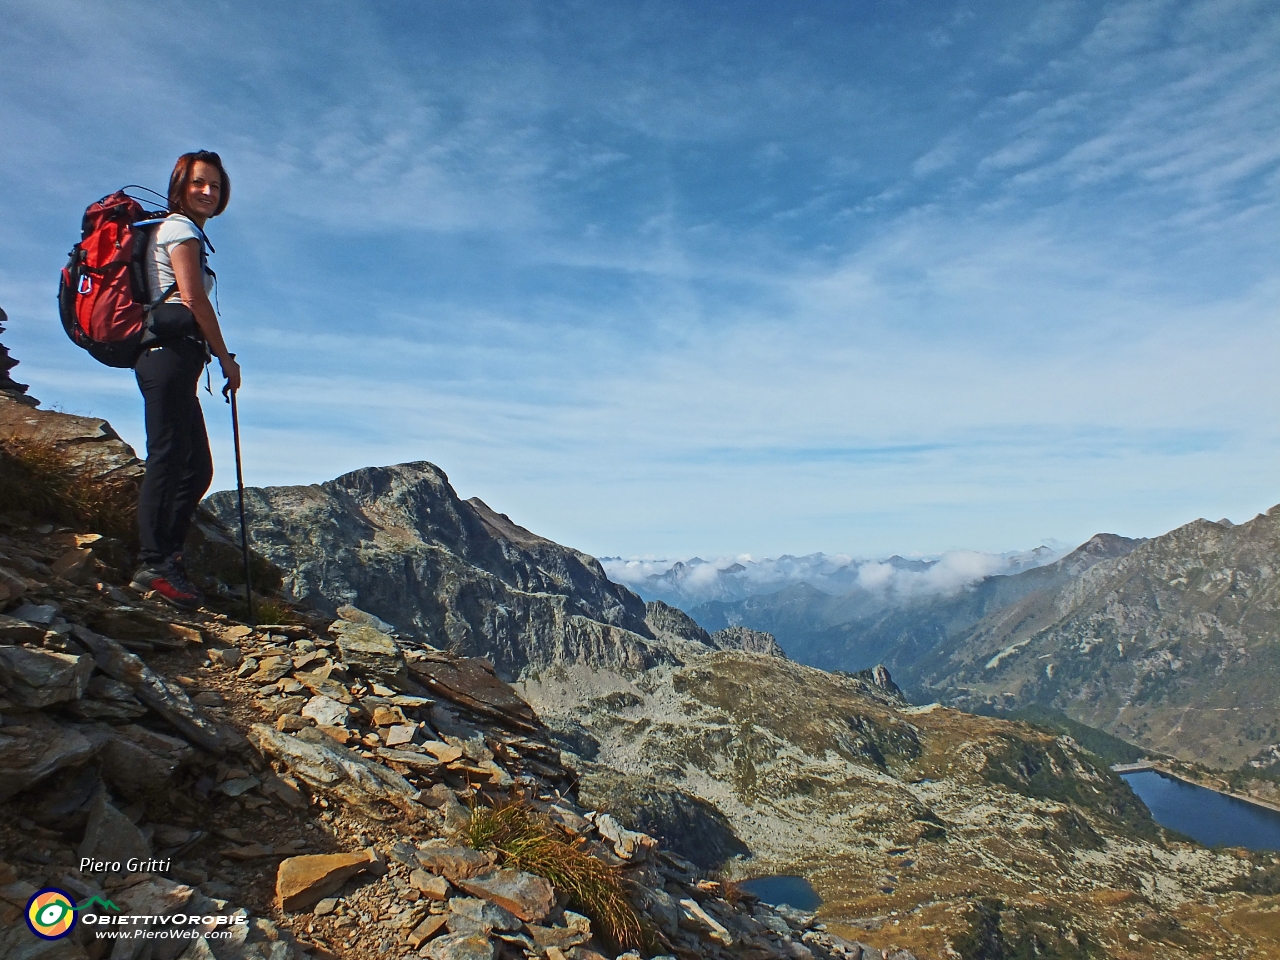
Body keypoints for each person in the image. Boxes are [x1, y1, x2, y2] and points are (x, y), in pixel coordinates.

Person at [129, 151, 241, 608]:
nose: (208, 192)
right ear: (181, 185)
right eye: (199, 183)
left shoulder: (181, 230)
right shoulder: (180, 229)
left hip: (173, 360)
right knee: (170, 457)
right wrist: (226, 359)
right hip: (167, 357)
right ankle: (154, 565)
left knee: (194, 467)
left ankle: (168, 558)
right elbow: (194, 299)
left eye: (215, 185)